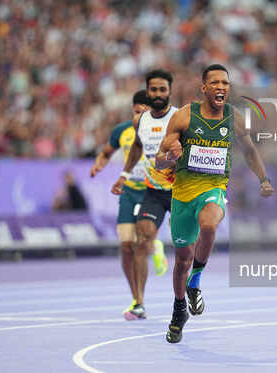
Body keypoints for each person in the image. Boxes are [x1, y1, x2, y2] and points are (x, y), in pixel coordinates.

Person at [155, 64, 274, 343]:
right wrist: (170, 156)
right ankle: (178, 310)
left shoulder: (235, 118)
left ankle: (195, 280)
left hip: (214, 187)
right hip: (182, 194)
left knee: (209, 222)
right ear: (204, 88)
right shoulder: (184, 117)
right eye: (215, 83)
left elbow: (250, 151)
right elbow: (159, 158)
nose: (221, 87)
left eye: (226, 83)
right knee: (181, 259)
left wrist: (264, 179)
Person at [90, 89, 168, 321]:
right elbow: (105, 152)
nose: (140, 115)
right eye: (136, 111)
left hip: (150, 190)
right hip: (129, 192)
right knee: (126, 247)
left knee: (141, 242)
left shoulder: (161, 128)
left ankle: (154, 246)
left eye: (145, 111)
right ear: (132, 110)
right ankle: (137, 301)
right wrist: (98, 165)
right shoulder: (121, 131)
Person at [112, 70, 179, 319]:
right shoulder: (142, 121)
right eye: (154, 90)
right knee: (142, 239)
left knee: (186, 247)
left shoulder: (181, 117)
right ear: (148, 91)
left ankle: (188, 292)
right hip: (154, 192)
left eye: (163, 90)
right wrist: (124, 175)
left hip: (180, 191)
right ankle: (138, 302)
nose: (158, 94)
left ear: (170, 91)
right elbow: (136, 150)